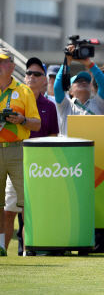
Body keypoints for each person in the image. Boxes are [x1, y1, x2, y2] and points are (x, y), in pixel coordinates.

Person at [0, 49, 41, 256]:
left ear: (12, 66)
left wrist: (21, 119)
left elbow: (36, 124)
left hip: (18, 151)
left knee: (27, 202)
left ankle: (30, 248)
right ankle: (0, 247)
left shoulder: (24, 91)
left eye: (3, 61)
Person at [54, 46, 104, 136]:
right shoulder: (65, 105)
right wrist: (67, 62)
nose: (83, 82)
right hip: (68, 149)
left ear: (91, 87)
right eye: (78, 81)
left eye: (87, 81)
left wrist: (90, 64)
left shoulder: (99, 103)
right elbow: (57, 87)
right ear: (70, 91)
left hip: (93, 149)